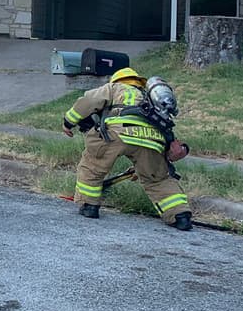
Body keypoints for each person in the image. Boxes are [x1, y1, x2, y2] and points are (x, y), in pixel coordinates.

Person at [62, 67, 192, 230]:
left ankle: (89, 205)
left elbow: (89, 102)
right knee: (158, 179)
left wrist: (68, 121)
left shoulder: (114, 88)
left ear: (117, 80)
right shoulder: (149, 100)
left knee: (92, 167)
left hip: (116, 133)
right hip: (151, 139)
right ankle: (180, 215)